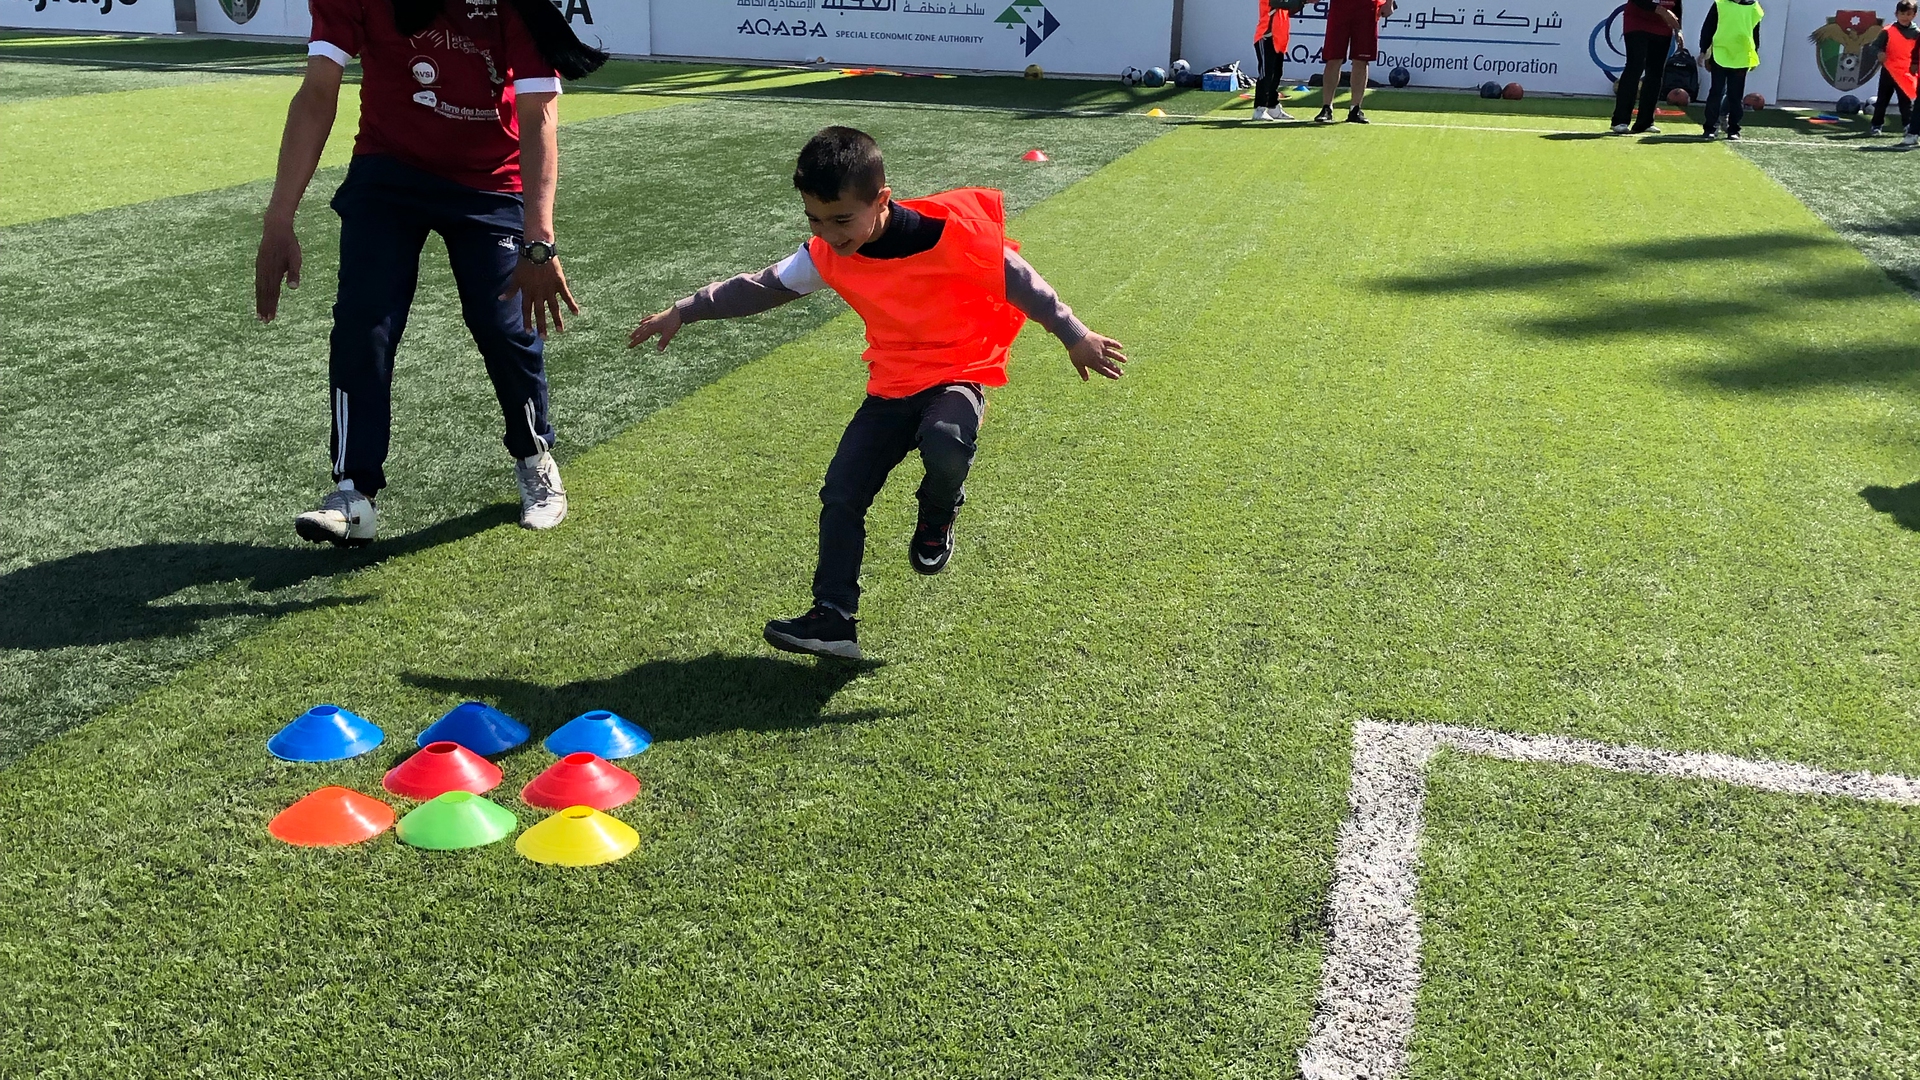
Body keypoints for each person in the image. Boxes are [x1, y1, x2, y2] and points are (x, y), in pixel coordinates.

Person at [626, 128, 1128, 661]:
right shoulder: (827, 253)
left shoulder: (949, 236)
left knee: (946, 439)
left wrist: (1074, 334)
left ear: (881, 200)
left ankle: (938, 510)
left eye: (841, 219)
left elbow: (1019, 278)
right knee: (842, 491)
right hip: (891, 384)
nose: (828, 233)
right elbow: (760, 286)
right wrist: (685, 310)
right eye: (814, 219)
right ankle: (833, 617)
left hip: (958, 371)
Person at [255, 0, 606, 547]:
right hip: (389, 170)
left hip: (489, 179)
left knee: (502, 325)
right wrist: (279, 218)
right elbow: (318, 92)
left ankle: (535, 456)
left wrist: (539, 241)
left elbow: (538, 109)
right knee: (364, 322)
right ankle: (353, 492)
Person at [1315, 0, 1395, 124]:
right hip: (1340, 6)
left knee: (1361, 59)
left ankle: (1355, 108)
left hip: (1367, 7)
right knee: (1333, 58)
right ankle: (1327, 107)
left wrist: (1389, 3)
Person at [1611, 0, 1684, 135]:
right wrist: (1662, 10)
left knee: (1655, 72)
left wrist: (1678, 30)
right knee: (1635, 66)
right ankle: (1620, 120)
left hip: (1662, 27)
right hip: (1637, 22)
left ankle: (1645, 122)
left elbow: (1677, 6)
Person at [1699, 0, 1764, 140]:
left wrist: (1754, 53)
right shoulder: (1720, 4)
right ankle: (1710, 127)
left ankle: (1733, 129)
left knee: (1735, 95)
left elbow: (1755, 32)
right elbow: (1708, 28)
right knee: (1716, 92)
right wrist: (1704, 51)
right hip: (1720, 53)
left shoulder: (1753, 7)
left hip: (1741, 56)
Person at [1867, 0, 1920, 140]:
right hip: (1889, 70)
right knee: (1882, 100)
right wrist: (1879, 53)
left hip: (1906, 72)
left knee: (1905, 101)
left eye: (1908, 14)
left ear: (1914, 15)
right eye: (1902, 13)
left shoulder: (1917, 33)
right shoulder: (1888, 31)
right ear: (1896, 14)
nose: (1905, 17)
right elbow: (1873, 47)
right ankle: (1876, 125)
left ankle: (1908, 125)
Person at [1251, 0, 1299, 122]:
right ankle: (1259, 108)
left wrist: (1304, 2)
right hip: (1266, 36)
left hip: (1279, 38)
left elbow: (1292, 8)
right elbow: (1279, 3)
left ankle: (1273, 107)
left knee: (1277, 74)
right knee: (1266, 73)